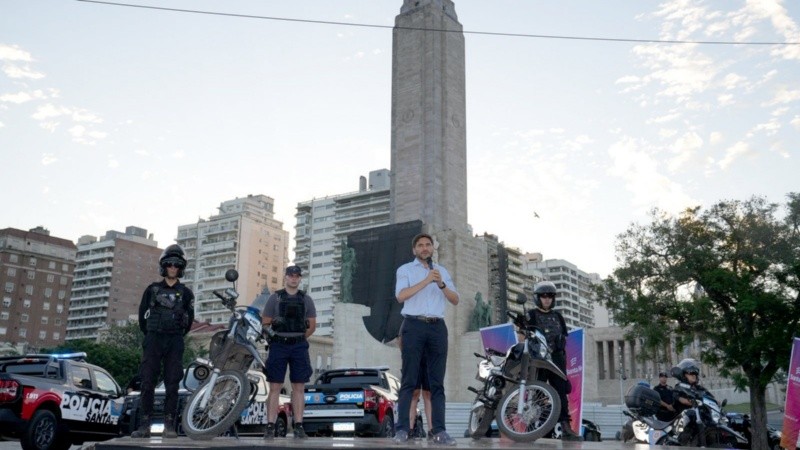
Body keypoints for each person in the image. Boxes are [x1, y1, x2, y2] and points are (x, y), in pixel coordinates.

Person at [393, 233, 459, 446]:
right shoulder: (405, 270)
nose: (424, 248)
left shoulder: (443, 272)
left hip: (437, 328)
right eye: (420, 245)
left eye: (428, 245)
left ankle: (439, 430)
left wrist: (441, 284)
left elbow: (455, 299)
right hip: (413, 325)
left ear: (433, 248)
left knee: (436, 383)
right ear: (414, 250)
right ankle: (402, 429)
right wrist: (426, 280)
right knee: (409, 381)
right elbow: (401, 296)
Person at [131, 244, 194, 439]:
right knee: (147, 381)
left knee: (172, 383)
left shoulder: (186, 293)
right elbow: (142, 317)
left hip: (174, 340)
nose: (173, 268)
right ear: (164, 267)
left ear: (180, 268)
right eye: (169, 264)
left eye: (176, 265)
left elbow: (189, 320)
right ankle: (144, 424)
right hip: (154, 338)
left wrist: (175, 334)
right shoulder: (152, 289)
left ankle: (169, 425)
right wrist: (152, 334)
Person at [261, 265, 316, 440]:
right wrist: (279, 336)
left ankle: (298, 425)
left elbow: (312, 325)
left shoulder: (306, 299)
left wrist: (297, 337)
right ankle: (270, 425)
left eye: (297, 276)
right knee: (275, 387)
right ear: (285, 277)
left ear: (300, 278)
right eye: (291, 275)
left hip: (299, 345)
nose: (294, 278)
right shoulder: (274, 298)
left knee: (299, 387)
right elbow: (265, 323)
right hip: (278, 345)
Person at [525, 281, 581, 440]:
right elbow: (523, 335)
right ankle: (533, 427)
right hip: (539, 358)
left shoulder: (558, 316)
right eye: (543, 296)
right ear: (538, 298)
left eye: (550, 296)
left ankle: (566, 428)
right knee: (537, 393)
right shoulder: (531, 315)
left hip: (557, 358)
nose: (547, 299)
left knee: (561, 393)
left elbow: (564, 337)